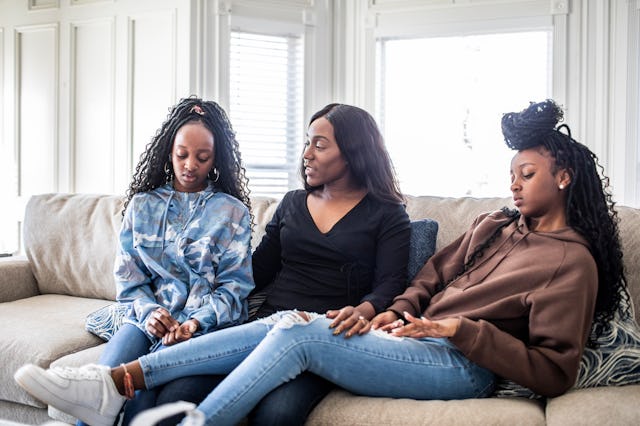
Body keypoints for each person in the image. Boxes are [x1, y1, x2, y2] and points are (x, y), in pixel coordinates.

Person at [15, 103, 411, 426]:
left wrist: (363, 311)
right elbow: (254, 271)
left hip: (322, 330)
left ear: (354, 150)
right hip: (266, 324)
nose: (306, 153)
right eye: (307, 143)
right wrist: (202, 304)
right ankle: (104, 390)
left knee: (277, 413)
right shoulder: (293, 203)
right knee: (175, 395)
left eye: (319, 145)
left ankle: (107, 385)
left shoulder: (387, 214)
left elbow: (391, 281)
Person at [77, 96, 255, 425]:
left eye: (203, 158)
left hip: (200, 329)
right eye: (182, 155)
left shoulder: (232, 213)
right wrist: (150, 311)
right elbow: (129, 280)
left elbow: (234, 290)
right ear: (168, 153)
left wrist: (195, 322)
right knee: (99, 386)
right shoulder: (142, 206)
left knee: (142, 403)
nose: (190, 165)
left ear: (216, 159)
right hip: (145, 319)